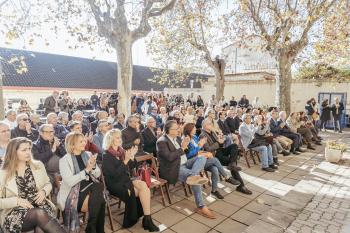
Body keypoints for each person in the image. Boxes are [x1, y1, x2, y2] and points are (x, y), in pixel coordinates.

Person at [0, 137, 65, 233]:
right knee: (39, 215)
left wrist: (44, 191)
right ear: (13, 152)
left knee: (40, 227)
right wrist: (17, 201)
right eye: (24, 150)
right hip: (15, 212)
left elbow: (48, 184)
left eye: (29, 149)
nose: (28, 152)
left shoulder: (38, 165)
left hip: (41, 206)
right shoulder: (3, 173)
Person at [102, 129, 160, 231]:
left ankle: (147, 219)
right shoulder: (106, 155)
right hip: (115, 184)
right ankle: (144, 220)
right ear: (110, 140)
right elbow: (114, 175)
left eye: (120, 137)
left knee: (143, 185)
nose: (120, 139)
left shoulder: (121, 151)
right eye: (117, 137)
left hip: (125, 179)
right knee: (140, 191)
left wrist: (132, 157)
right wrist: (125, 160)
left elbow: (131, 167)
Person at [157, 120, 215, 218]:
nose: (178, 129)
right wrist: (182, 148)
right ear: (169, 130)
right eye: (176, 128)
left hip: (185, 163)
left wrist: (191, 146)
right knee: (196, 178)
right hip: (173, 167)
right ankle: (201, 206)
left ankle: (193, 175)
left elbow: (186, 153)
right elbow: (170, 158)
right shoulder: (162, 141)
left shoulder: (178, 138)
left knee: (202, 157)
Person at [183, 123, 249, 198]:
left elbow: (201, 150)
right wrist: (201, 147)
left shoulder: (195, 137)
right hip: (195, 161)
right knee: (215, 160)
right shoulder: (187, 139)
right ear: (189, 130)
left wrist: (220, 141)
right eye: (194, 128)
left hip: (205, 156)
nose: (195, 129)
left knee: (216, 169)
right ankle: (227, 177)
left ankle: (214, 191)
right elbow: (188, 155)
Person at [57, 132, 105, 233]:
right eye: (81, 141)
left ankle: (91, 227)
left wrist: (93, 166)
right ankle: (96, 229)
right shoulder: (64, 160)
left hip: (90, 186)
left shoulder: (88, 154)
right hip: (73, 192)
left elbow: (97, 174)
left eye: (84, 140)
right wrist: (87, 170)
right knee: (101, 198)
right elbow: (70, 182)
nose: (84, 143)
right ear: (72, 144)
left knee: (98, 187)